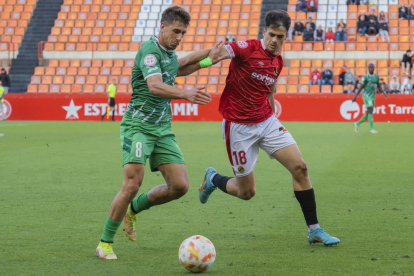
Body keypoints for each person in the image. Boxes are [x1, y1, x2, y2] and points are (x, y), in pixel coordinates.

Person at [198, 9, 340, 246]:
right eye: (272, 35)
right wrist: (204, 61)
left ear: (286, 37)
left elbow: (270, 91)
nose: (275, 40)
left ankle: (314, 229)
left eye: (280, 37)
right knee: (246, 193)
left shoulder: (278, 61)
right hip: (239, 127)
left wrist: (272, 117)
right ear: (264, 32)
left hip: (266, 121)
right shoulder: (247, 47)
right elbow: (217, 55)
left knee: (300, 168)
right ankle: (212, 179)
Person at [95, 5, 226, 260]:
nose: (179, 37)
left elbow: (184, 64)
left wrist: (213, 56)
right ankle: (105, 243)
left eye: (183, 33)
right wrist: (186, 93)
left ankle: (134, 209)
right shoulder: (150, 51)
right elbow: (155, 86)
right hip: (139, 128)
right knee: (132, 183)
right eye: (176, 31)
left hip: (162, 128)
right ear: (162, 27)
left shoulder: (168, 53)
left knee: (179, 186)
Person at [353, 63, 388, 134]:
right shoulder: (365, 77)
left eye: (372, 67)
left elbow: (379, 86)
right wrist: (355, 96)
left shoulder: (376, 77)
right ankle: (372, 129)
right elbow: (361, 87)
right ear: (368, 68)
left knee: (369, 113)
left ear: (374, 68)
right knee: (370, 109)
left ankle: (357, 123)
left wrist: (384, 94)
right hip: (366, 96)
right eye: (370, 67)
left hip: (372, 96)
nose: (371, 68)